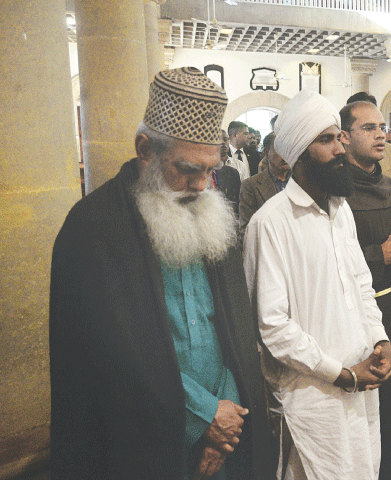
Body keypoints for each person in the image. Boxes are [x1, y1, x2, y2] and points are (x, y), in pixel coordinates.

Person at [49, 67, 272, 479]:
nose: (203, 185)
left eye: (211, 170)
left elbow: (234, 331)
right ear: (145, 149)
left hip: (226, 435)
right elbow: (111, 354)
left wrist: (225, 421)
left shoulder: (211, 214)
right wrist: (204, 416)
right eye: (188, 169)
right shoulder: (93, 228)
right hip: (140, 447)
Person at [243, 89, 391, 480]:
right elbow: (272, 326)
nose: (340, 148)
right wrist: (342, 374)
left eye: (339, 136)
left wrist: (380, 340)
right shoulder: (269, 223)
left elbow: (361, 283)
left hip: (360, 386)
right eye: (326, 140)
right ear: (298, 153)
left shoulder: (341, 211)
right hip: (312, 395)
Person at [340, 100, 391, 480]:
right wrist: (379, 255)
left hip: (390, 306)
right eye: (368, 128)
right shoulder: (334, 191)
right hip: (351, 311)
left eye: (381, 127)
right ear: (345, 136)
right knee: (360, 406)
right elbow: (329, 256)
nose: (381, 134)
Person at [238, 139, 290, 236]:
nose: (285, 155)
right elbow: (247, 229)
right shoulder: (251, 185)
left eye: (288, 149)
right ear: (266, 152)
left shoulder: (300, 182)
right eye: (280, 150)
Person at [213, 128, 242, 214]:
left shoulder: (232, 173)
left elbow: (238, 203)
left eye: (225, 140)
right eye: (218, 139)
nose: (222, 143)